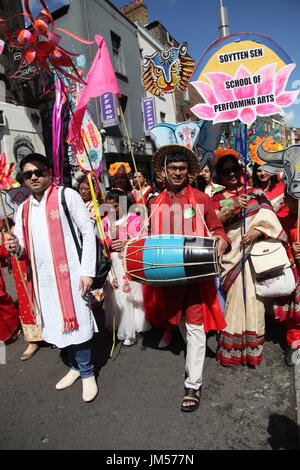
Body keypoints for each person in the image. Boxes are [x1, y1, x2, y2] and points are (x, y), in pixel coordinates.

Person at [5, 153, 98, 402]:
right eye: (28, 174)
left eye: (39, 171)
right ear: (23, 180)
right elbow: (24, 247)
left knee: (78, 322)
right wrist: (15, 246)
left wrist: (87, 271)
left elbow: (88, 233)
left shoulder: (67, 196)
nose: (34, 177)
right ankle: (75, 367)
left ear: (49, 172)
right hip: (44, 279)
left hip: (73, 275)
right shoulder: (23, 209)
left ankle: (88, 373)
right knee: (57, 323)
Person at [148, 144, 230, 412]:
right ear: (164, 171)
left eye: (182, 168)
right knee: (180, 321)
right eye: (172, 168)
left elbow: (217, 228)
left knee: (195, 326)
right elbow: (146, 239)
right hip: (168, 277)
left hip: (196, 276)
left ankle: (193, 384)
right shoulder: (154, 202)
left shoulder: (202, 199)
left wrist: (220, 240)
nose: (177, 172)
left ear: (189, 172)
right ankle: (195, 353)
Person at [212, 153, 286, 367]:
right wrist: (234, 205)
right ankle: (232, 349)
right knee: (234, 302)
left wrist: (257, 231)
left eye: (235, 168)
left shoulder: (255, 192)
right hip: (231, 257)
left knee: (254, 302)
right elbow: (214, 222)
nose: (232, 174)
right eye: (226, 171)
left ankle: (252, 349)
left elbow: (270, 220)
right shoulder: (217, 197)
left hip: (253, 256)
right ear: (221, 176)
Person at [103, 189, 150, 346]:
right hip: (113, 264)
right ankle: (119, 323)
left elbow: (142, 240)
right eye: (108, 207)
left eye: (115, 206)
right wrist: (108, 243)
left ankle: (130, 331)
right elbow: (100, 241)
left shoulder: (133, 219)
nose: (112, 210)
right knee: (115, 294)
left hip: (129, 262)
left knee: (129, 294)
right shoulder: (104, 221)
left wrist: (127, 242)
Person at [273, 189, 300, 366]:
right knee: (295, 314)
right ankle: (293, 343)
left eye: (295, 199)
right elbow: (274, 248)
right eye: (289, 199)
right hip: (293, 273)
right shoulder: (281, 222)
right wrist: (291, 250)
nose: (291, 202)